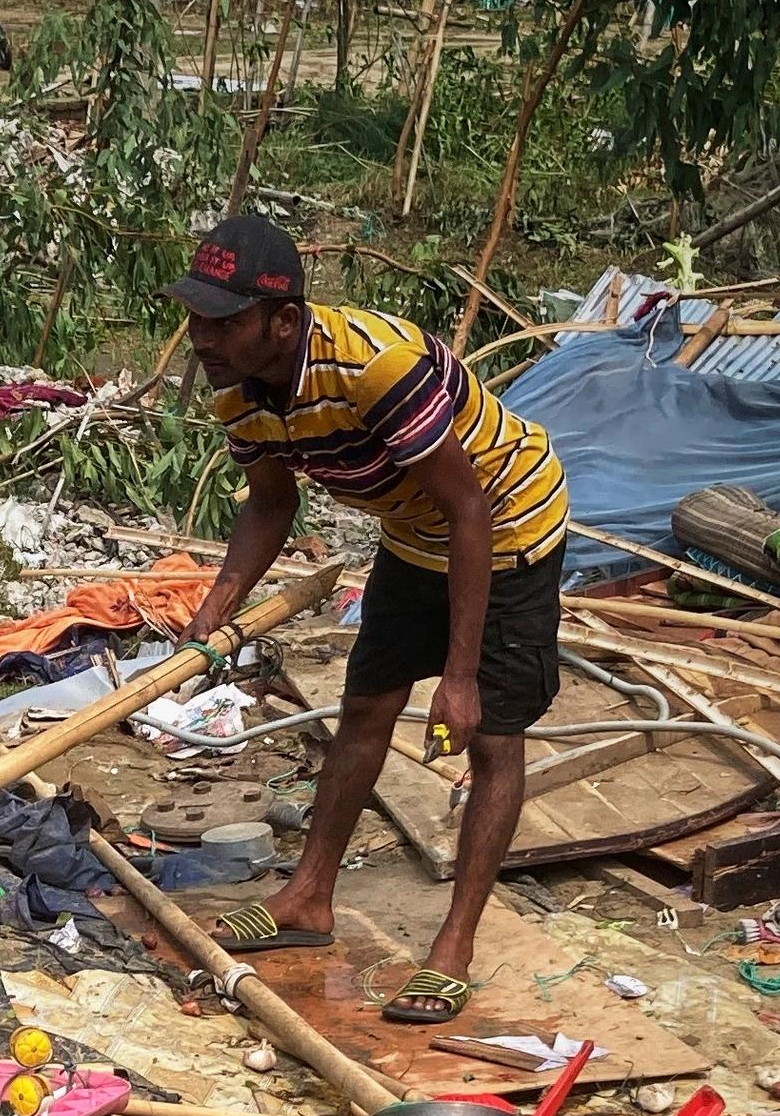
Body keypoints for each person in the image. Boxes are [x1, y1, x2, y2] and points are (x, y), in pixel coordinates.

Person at [167, 212, 573, 1024]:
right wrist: (217, 606)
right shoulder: (237, 392)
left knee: (489, 737)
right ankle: (308, 897)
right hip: (415, 537)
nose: (201, 338)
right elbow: (271, 504)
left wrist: (458, 680)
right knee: (365, 711)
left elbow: (470, 511)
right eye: (195, 319)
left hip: (506, 526)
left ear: (284, 321)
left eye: (223, 321)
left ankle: (453, 944)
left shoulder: (376, 369)